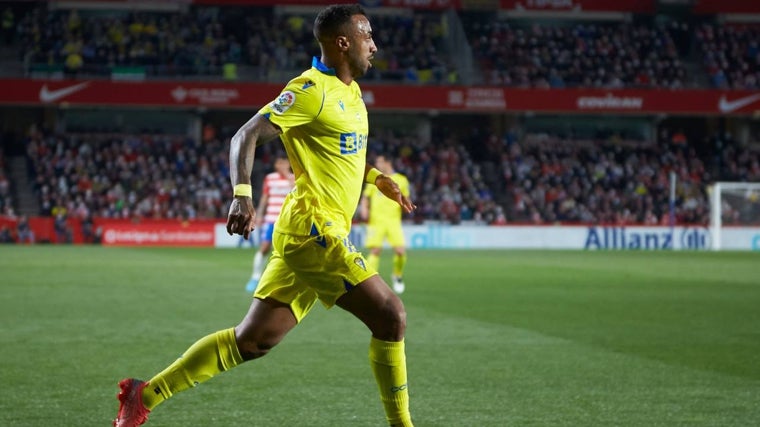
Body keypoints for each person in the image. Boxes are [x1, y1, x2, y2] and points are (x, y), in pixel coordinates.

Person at [113, 5, 416, 427]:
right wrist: (242, 194)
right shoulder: (310, 89)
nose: (375, 46)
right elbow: (246, 134)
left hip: (318, 231)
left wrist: (377, 177)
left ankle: (143, 395)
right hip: (314, 229)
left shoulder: (352, 93)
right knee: (391, 314)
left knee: (253, 341)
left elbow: (339, 153)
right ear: (342, 42)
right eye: (368, 37)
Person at [360, 154, 410, 293]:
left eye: (379, 162)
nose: (377, 164)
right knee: (375, 250)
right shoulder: (376, 178)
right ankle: (368, 282)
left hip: (393, 221)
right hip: (376, 221)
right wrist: (364, 208)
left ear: (388, 162)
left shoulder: (401, 179)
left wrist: (406, 205)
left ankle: (397, 275)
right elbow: (366, 197)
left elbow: (405, 197)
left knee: (400, 251)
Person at [245, 153, 295, 292]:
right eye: (278, 163)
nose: (281, 166)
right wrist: (259, 214)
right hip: (272, 219)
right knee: (265, 247)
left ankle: (285, 281)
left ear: (289, 164)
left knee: (287, 252)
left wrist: (287, 175)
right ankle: (255, 277)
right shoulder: (270, 178)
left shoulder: (294, 178)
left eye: (283, 163)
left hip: (289, 220)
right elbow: (265, 198)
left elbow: (297, 194)